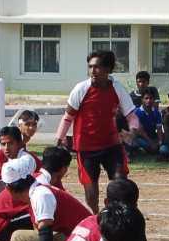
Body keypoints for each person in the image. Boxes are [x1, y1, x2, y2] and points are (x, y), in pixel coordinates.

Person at [56, 50, 134, 212]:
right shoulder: (81, 89)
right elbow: (67, 117)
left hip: (112, 146)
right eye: (90, 67)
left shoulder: (117, 89)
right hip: (86, 149)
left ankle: (119, 217)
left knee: (120, 183)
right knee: (91, 195)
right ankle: (96, 220)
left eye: (97, 67)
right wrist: (59, 139)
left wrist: (132, 131)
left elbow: (132, 116)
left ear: (108, 69)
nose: (92, 71)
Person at [0, 151, 92, 241]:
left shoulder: (40, 195)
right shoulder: (36, 190)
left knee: (18, 240)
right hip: (85, 238)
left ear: (9, 189)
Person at [0, 124, 40, 198]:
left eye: (10, 143)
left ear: (19, 143)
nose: (6, 148)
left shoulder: (29, 159)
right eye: (3, 144)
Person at [127, 86, 166, 158]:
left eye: (151, 98)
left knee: (163, 145)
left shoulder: (156, 112)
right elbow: (140, 131)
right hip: (140, 137)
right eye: (146, 98)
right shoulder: (137, 112)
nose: (149, 100)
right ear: (142, 100)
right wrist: (151, 143)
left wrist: (160, 142)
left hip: (152, 136)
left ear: (154, 100)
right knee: (138, 142)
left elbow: (159, 129)